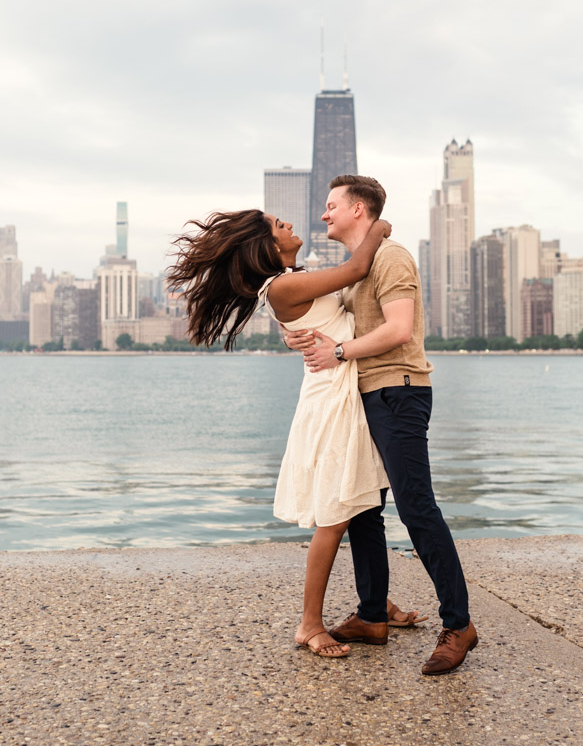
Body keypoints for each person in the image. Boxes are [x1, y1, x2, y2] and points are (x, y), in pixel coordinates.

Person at [167, 208, 424, 659]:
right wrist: (380, 229)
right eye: (276, 226)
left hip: (344, 389)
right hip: (331, 401)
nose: (287, 224)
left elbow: (337, 302)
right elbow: (356, 268)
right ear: (265, 246)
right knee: (336, 513)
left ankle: (374, 604)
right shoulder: (284, 286)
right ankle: (309, 624)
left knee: (363, 503)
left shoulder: (292, 280)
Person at [285, 175, 478, 676]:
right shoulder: (357, 270)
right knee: (365, 508)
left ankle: (459, 625)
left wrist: (339, 352)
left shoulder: (390, 258)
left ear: (359, 209)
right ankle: (373, 616)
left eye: (331, 206)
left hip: (400, 390)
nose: (324, 215)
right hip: (366, 396)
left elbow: (396, 329)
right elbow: (337, 322)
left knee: (417, 507)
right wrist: (305, 338)